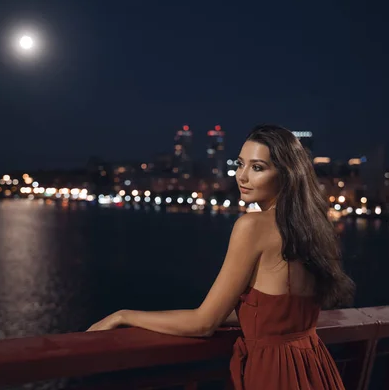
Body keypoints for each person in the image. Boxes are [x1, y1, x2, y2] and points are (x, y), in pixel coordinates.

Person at [87, 124, 355, 389]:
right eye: (240, 164)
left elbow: (204, 323)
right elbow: (276, 315)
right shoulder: (317, 228)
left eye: (258, 167)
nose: (242, 176)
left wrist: (123, 316)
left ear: (287, 175)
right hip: (314, 369)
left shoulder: (252, 226)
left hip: (275, 374)